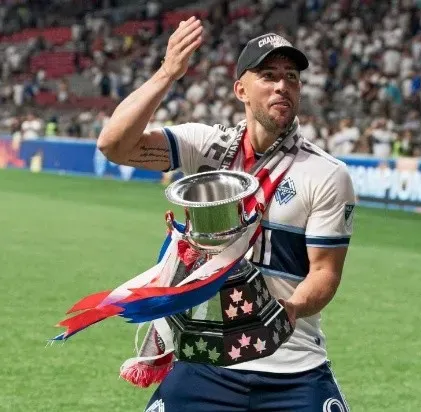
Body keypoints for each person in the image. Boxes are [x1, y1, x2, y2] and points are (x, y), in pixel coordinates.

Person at [97, 17, 355, 412]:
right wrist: (168, 74)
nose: (282, 85)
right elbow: (114, 145)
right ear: (241, 90)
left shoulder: (326, 173)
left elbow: (325, 272)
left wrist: (291, 309)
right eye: (268, 75)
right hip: (208, 358)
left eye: (291, 77)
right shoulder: (208, 147)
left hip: (293, 364)